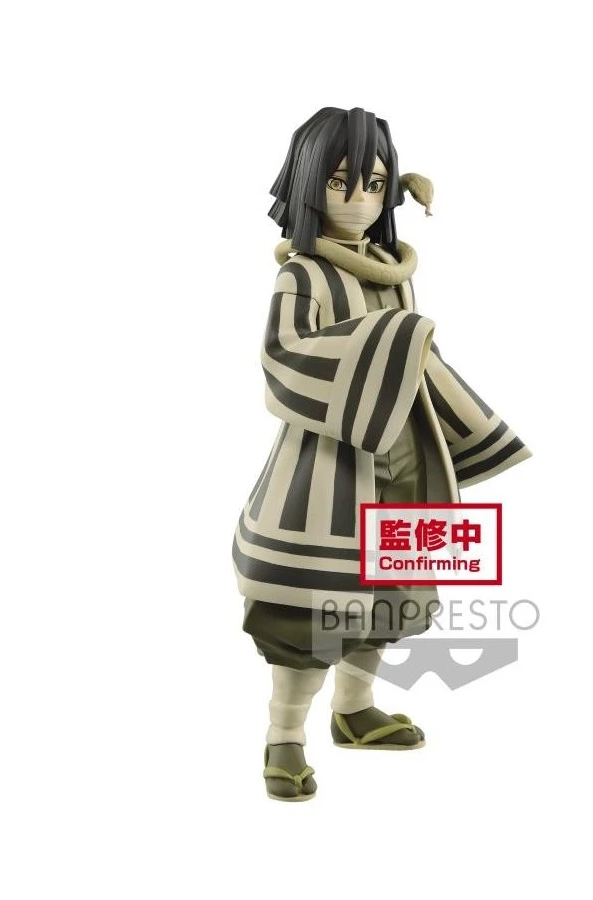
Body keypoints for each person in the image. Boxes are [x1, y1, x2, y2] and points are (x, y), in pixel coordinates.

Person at [232, 106, 531, 801]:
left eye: (373, 183)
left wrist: (462, 424)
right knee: (310, 610)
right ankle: (284, 736)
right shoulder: (302, 276)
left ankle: (355, 708)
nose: (359, 199)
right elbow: (283, 358)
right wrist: (392, 342)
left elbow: (421, 359)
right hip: (327, 466)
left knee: (392, 595)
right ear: (310, 185)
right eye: (340, 182)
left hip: (403, 456)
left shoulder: (392, 271)